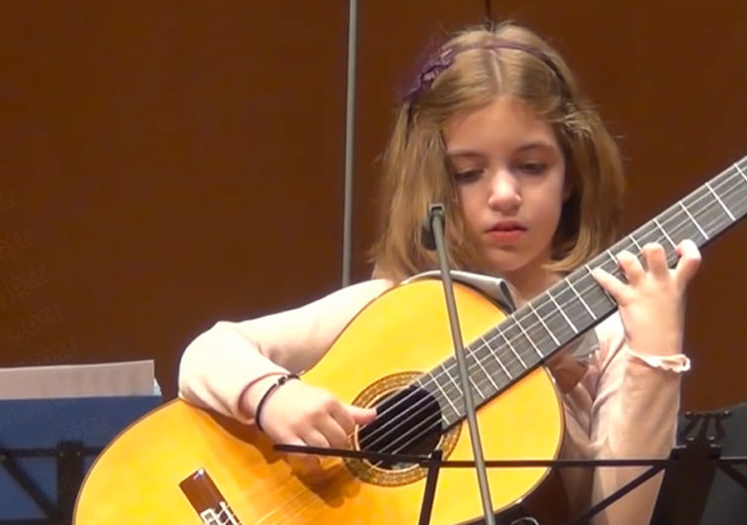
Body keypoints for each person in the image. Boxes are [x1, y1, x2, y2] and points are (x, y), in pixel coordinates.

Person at [178, 21, 701, 525]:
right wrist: (273, 397)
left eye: (532, 166)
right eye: (468, 173)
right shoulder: (400, 305)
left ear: (572, 177)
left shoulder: (607, 336)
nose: (504, 194)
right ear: (432, 184)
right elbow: (209, 352)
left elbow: (619, 518)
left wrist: (654, 356)